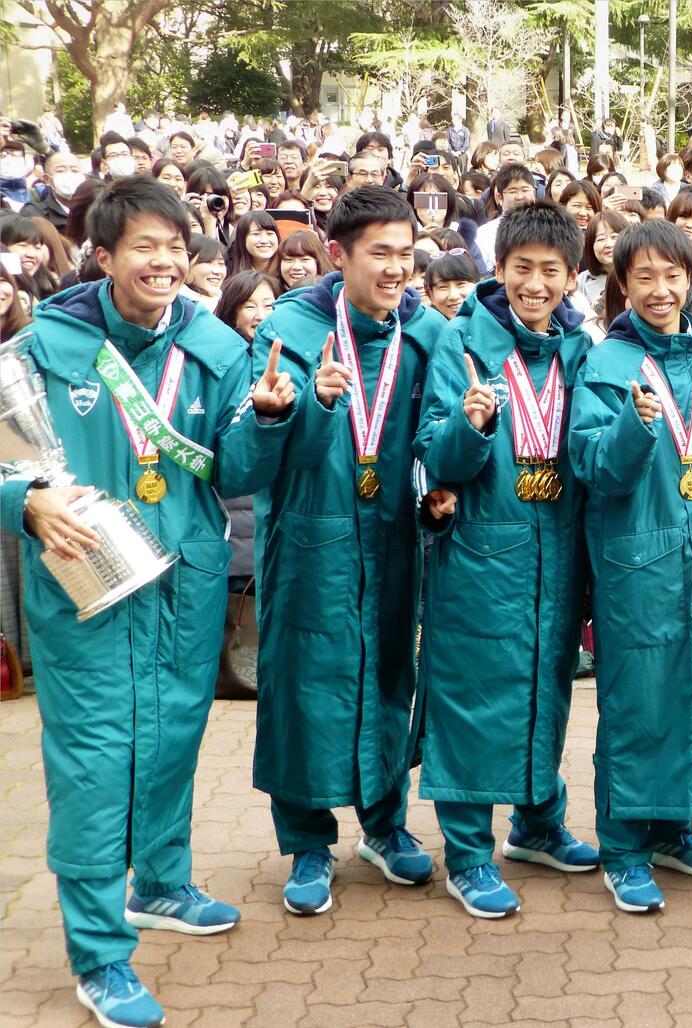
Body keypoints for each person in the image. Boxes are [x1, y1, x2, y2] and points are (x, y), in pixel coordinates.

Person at [2, 175, 296, 1028]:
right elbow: (4, 464)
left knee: (172, 740)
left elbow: (235, 471)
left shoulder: (214, 347)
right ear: (102, 257)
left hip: (186, 579)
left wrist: (269, 421)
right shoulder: (40, 351)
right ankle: (98, 956)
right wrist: (24, 502)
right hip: (87, 585)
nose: (164, 261)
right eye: (145, 247)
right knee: (95, 765)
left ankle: (161, 883)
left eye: (176, 246)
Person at [250, 185, 449, 917]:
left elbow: (433, 431)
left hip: (393, 537)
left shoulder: (423, 333)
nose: (396, 270)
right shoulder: (292, 328)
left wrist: (437, 484)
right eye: (380, 255)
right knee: (305, 682)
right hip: (312, 534)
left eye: (406, 255)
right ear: (339, 255)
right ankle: (306, 841)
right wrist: (313, 404)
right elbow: (266, 443)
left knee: (390, 672)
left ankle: (385, 824)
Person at [567, 218, 692, 914]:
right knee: (637, 700)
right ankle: (623, 847)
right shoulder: (606, 366)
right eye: (644, 276)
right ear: (622, 284)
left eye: (672, 275)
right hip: (636, 559)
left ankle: (673, 827)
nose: (660, 289)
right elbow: (591, 465)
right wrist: (635, 426)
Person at [411, 201, 601, 919]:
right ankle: (466, 855)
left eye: (551, 271)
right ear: (499, 270)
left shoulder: (581, 349)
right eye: (522, 269)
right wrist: (469, 423)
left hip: (556, 548)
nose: (535, 284)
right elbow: (435, 453)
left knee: (546, 690)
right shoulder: (461, 343)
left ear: (571, 277)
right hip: (481, 549)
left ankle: (536, 823)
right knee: (470, 695)